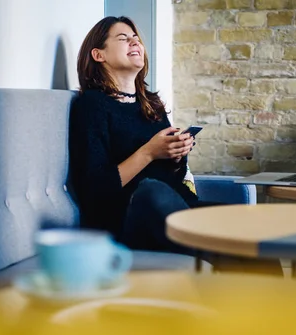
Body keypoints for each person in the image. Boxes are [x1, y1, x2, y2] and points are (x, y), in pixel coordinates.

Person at [69, 16, 216, 254]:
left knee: (252, 230)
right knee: (151, 190)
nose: (135, 42)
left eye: (136, 39)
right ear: (99, 55)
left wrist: (176, 154)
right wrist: (149, 152)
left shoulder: (151, 104)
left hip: (177, 205)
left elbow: (173, 175)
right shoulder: (92, 106)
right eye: (123, 38)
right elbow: (95, 189)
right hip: (125, 217)